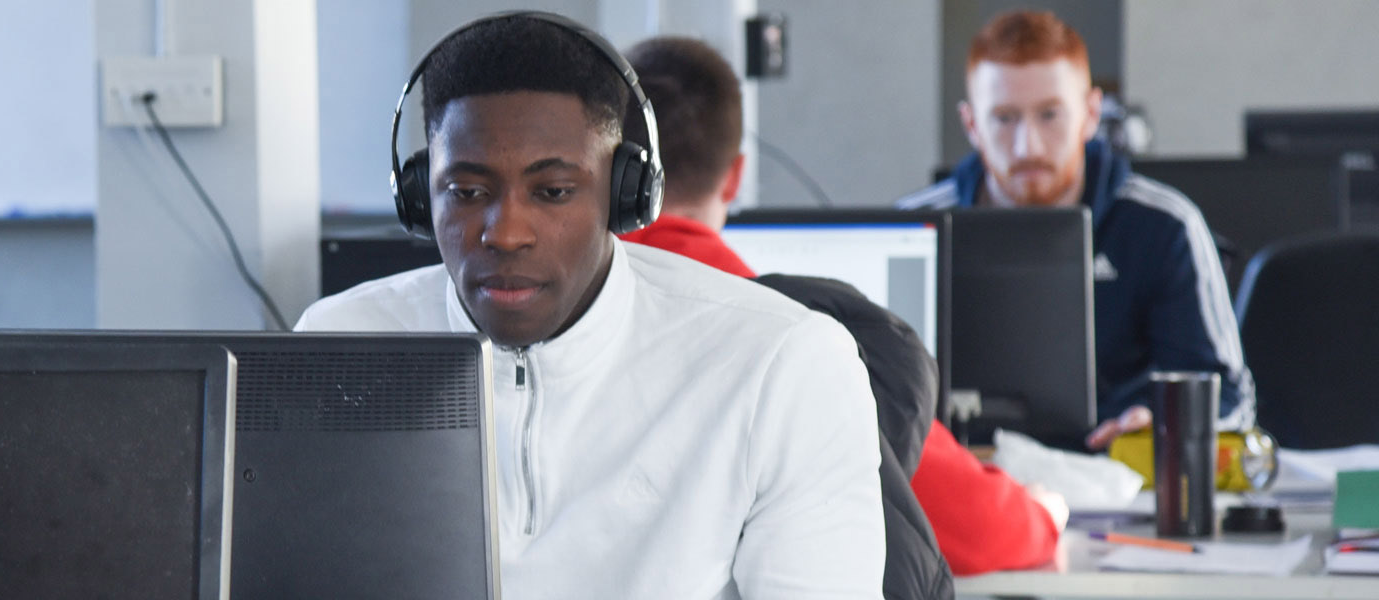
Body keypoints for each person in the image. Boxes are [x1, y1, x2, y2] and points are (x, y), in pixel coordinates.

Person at [296, 13, 884, 599]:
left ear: (625, 194)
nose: (506, 234)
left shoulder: (781, 365)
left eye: (552, 191)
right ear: (421, 198)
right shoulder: (340, 346)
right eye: (468, 192)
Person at [621, 36, 1063, 579]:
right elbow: (977, 527)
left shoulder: (550, 312)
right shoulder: (778, 332)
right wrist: (1043, 513)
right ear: (735, 176)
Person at [896, 10, 1255, 448]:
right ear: (972, 125)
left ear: (1089, 114)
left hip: (1116, 486)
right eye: (1004, 118)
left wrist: (1158, 425)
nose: (1028, 145)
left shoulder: (1165, 226)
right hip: (964, 482)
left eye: (1050, 115)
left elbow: (1231, 401)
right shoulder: (913, 230)